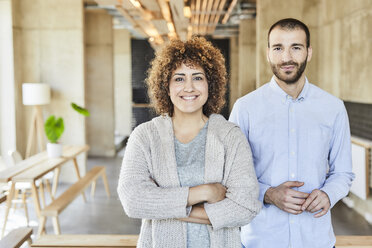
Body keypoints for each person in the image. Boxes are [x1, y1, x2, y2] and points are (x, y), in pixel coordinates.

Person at [117, 37, 261, 248]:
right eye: (179, 78)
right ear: (165, 85)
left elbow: (245, 207)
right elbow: (133, 201)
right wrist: (205, 192)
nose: (189, 87)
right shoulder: (145, 136)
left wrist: (163, 204)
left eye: (197, 77)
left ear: (210, 84)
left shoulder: (230, 136)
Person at [229, 18, 354, 248]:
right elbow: (231, 177)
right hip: (260, 241)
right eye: (278, 48)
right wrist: (267, 194)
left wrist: (328, 194)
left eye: (296, 47)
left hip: (317, 240)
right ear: (268, 53)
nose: (286, 57)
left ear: (309, 52)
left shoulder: (333, 108)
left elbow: (343, 172)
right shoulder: (245, 108)